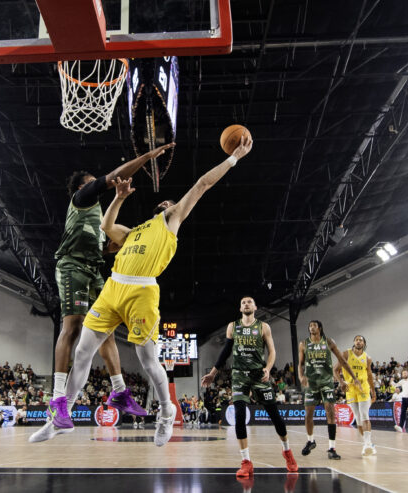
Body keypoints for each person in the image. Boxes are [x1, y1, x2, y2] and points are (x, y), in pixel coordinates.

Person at [35, 135, 254, 446]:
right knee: (83, 351)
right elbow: (107, 226)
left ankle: (166, 412)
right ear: (156, 208)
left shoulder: (172, 220)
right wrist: (120, 197)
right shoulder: (135, 231)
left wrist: (234, 159)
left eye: (172, 202)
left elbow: (203, 183)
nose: (170, 202)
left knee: (148, 361)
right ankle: (59, 418)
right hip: (113, 288)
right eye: (165, 202)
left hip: (142, 293)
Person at [31, 143, 174, 443]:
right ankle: (58, 402)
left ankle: (119, 391)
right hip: (72, 266)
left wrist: (134, 242)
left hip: (95, 270)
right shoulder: (81, 200)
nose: (99, 186)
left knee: (104, 333)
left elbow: (107, 247)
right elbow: (113, 176)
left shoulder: (98, 217)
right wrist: (146, 158)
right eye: (94, 182)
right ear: (85, 187)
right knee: (71, 327)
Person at [201, 296, 298, 478]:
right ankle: (246, 461)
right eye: (243, 302)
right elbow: (226, 352)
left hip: (259, 375)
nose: (246, 304)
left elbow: (272, 351)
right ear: (240, 308)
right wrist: (213, 373)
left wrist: (268, 369)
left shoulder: (263, 327)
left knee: (275, 416)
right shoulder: (233, 326)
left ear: (255, 307)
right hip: (239, 376)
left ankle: (287, 452)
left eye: (249, 302)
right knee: (239, 417)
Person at [298, 320, 361, 460]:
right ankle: (310, 441)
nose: (311, 327)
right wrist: (301, 376)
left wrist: (352, 377)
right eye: (309, 326)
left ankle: (332, 448)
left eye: (314, 325)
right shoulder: (303, 344)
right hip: (311, 383)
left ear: (319, 327)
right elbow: (300, 364)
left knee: (330, 413)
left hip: (326, 382)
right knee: (308, 414)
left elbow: (342, 361)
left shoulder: (329, 341)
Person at [334, 335, 376, 456]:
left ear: (364, 343)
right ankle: (368, 444)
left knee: (364, 415)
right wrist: (341, 382)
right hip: (350, 388)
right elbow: (335, 370)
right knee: (358, 418)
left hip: (363, 388)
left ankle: (367, 445)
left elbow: (369, 375)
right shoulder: (346, 354)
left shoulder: (367, 358)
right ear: (354, 342)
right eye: (356, 339)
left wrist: (373, 391)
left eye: (361, 340)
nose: (358, 341)